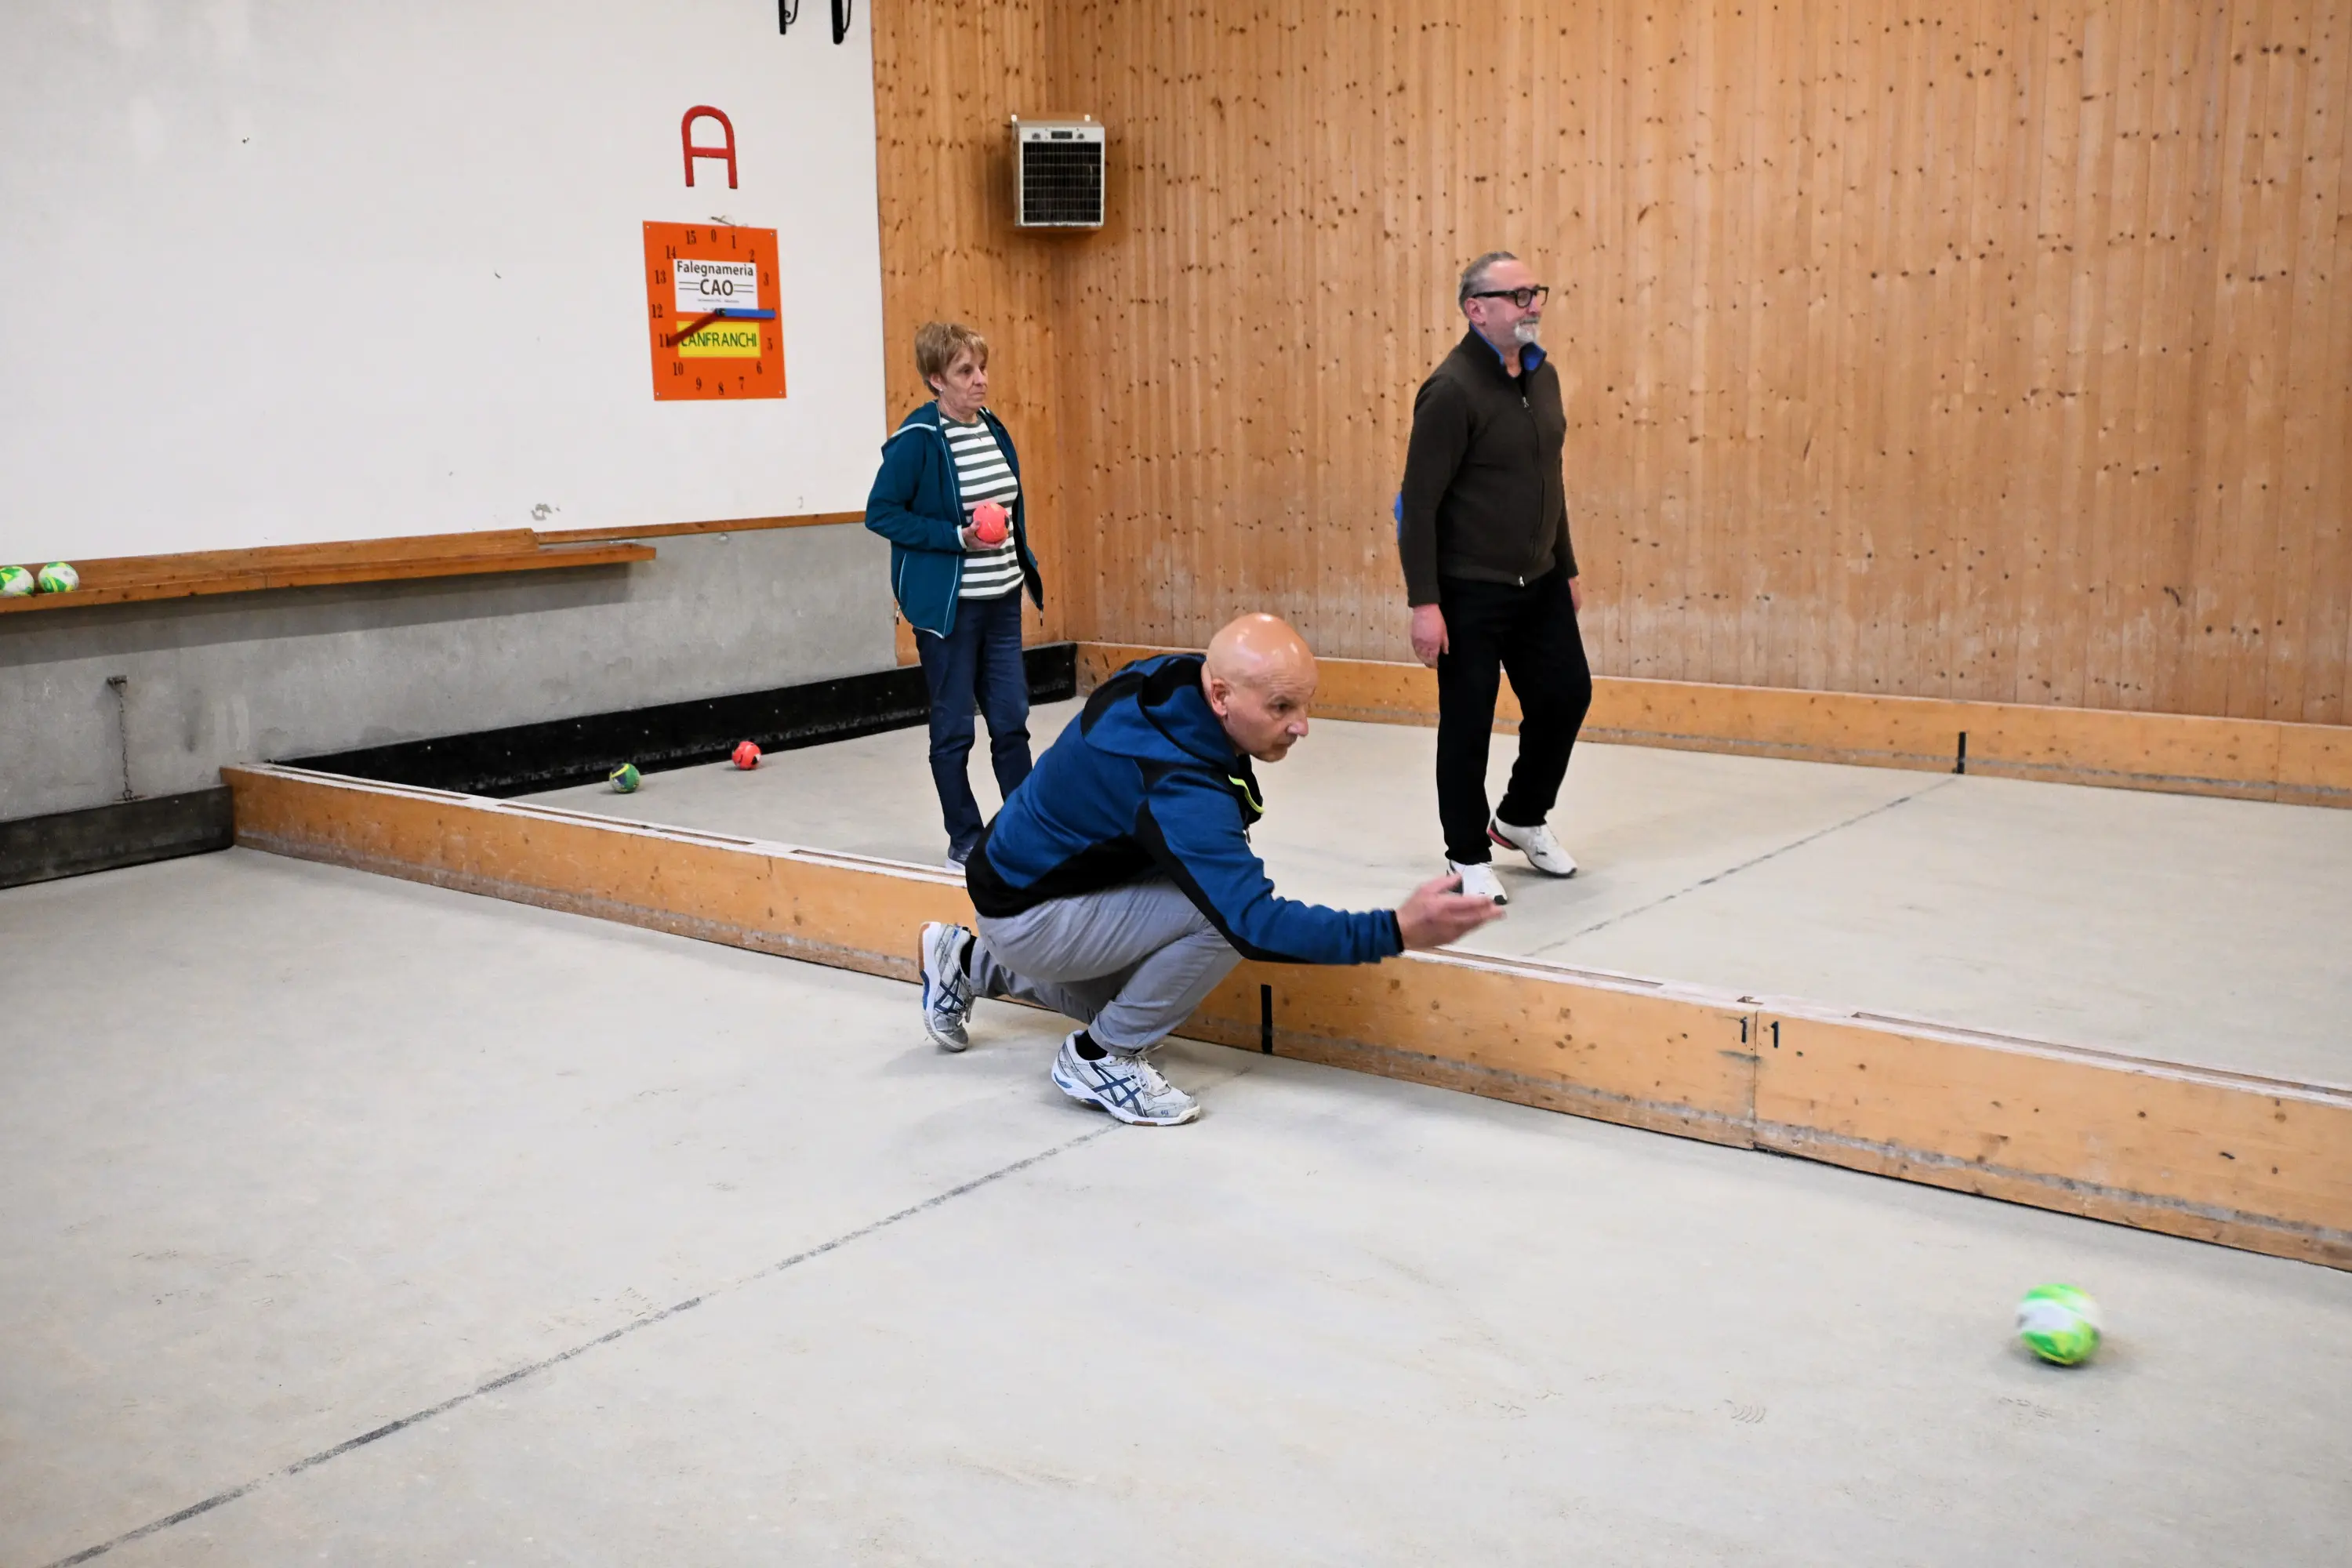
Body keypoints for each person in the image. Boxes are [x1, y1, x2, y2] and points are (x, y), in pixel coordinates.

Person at [913, 613, 1506, 1126]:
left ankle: (965, 961)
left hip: (1020, 880)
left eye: (1305, 704)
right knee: (1216, 920)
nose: (1302, 725)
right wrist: (1398, 929)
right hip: (1028, 913)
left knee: (1147, 966)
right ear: (1221, 696)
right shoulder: (1177, 783)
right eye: (1281, 707)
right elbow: (1253, 924)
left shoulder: (1166, 678)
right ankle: (1103, 1059)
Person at [1396, 251, 1594, 906]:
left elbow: (1550, 481)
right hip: (1468, 588)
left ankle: (1520, 817)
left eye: (1536, 292)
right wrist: (1425, 603)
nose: (1532, 305)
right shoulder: (1451, 392)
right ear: (1475, 309)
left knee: (1566, 696)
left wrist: (1562, 565)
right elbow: (1417, 506)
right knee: (1469, 721)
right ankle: (1465, 854)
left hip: (1537, 582)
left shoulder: (1544, 378)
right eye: (1516, 296)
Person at [865, 321, 1044, 872]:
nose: (981, 381)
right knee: (954, 728)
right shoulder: (916, 440)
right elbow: (883, 514)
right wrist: (955, 537)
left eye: (982, 369)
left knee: (1011, 719)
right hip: (949, 610)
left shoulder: (992, 426)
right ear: (935, 379)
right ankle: (964, 837)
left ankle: (1028, 833)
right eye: (966, 372)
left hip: (1001, 602)